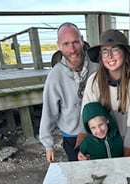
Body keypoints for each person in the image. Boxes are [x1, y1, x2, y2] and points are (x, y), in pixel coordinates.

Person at [77, 29, 130, 159]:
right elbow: (86, 116)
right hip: (100, 147)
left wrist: (128, 159)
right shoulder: (94, 80)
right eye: (105, 51)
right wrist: (83, 150)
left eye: (115, 50)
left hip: (124, 146)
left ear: (125, 53)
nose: (110, 56)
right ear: (100, 56)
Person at [39, 22, 98, 162]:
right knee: (79, 176)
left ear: (82, 40)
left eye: (75, 42)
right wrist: (48, 144)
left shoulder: (97, 68)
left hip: (99, 133)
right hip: (72, 136)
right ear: (59, 45)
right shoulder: (55, 75)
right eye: (66, 44)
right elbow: (49, 110)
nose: (72, 49)